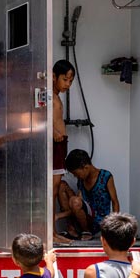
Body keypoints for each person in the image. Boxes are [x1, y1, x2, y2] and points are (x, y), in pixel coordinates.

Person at [58, 149, 119, 241]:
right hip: (84, 217)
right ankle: (72, 230)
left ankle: (87, 232)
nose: (76, 177)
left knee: (75, 201)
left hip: (98, 220)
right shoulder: (82, 180)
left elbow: (115, 203)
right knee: (61, 185)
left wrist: (115, 229)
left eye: (76, 174)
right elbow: (78, 205)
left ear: (85, 167)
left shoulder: (106, 176)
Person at [51, 60, 76, 246]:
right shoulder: (48, 96)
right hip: (54, 144)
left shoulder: (57, 96)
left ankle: (52, 232)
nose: (67, 84)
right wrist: (54, 133)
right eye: (65, 79)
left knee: (54, 190)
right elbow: (40, 117)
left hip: (60, 144)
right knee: (51, 191)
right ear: (54, 77)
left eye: (70, 80)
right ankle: (50, 233)